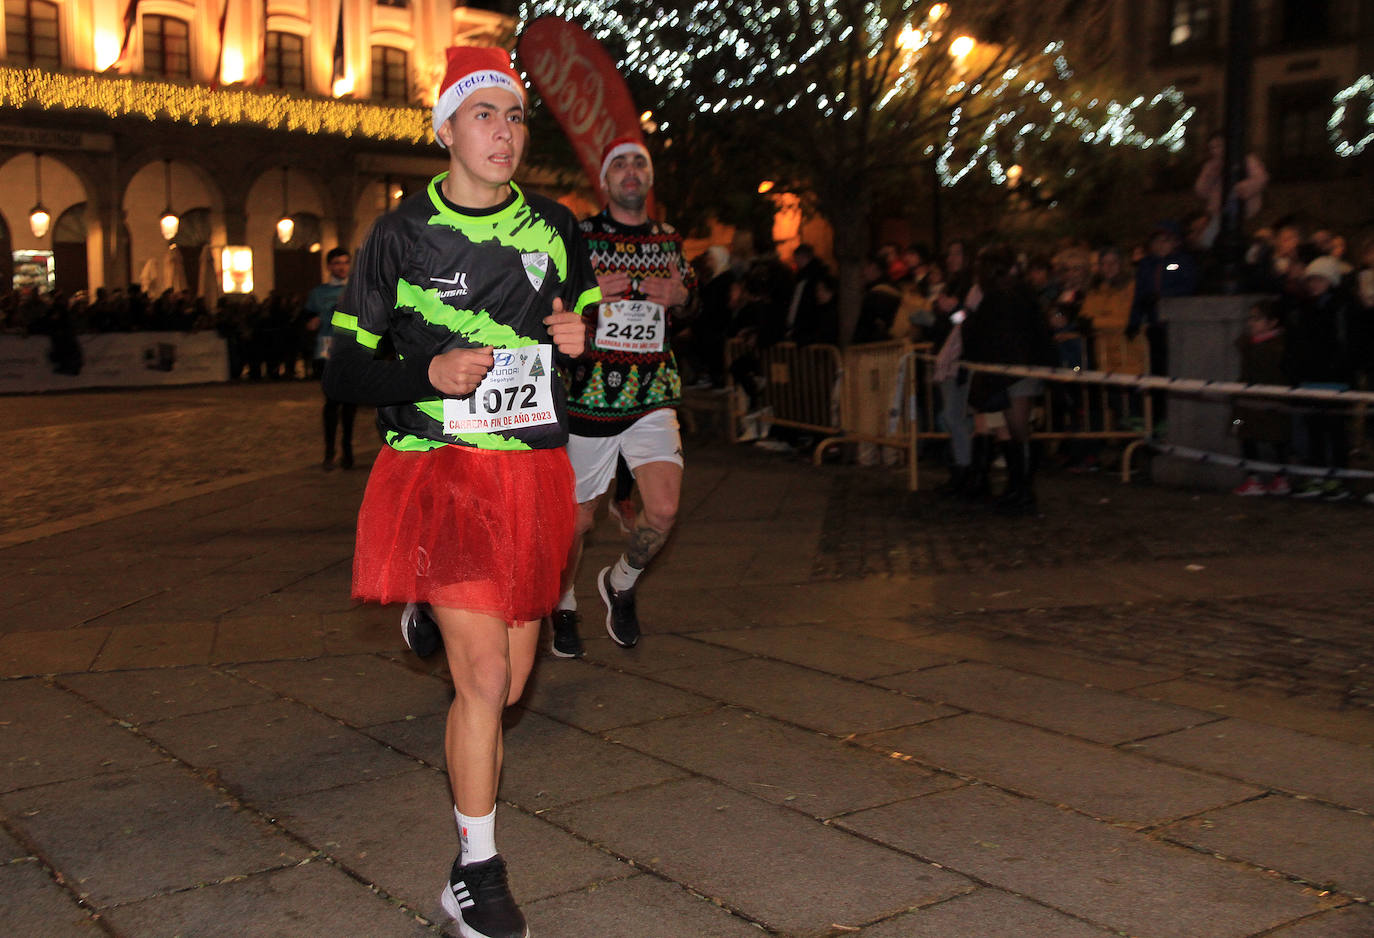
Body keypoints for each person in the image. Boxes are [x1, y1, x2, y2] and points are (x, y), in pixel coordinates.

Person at [322, 46, 597, 938]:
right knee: (482, 679)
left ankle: (434, 612)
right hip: (438, 469)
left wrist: (575, 336)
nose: (505, 132)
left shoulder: (557, 226)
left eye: (515, 116)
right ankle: (478, 872)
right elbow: (344, 373)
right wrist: (425, 368)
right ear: (444, 130)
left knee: (512, 683)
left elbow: (578, 336)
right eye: (484, 115)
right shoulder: (398, 236)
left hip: (529, 473)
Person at [550, 136, 696, 658]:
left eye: (640, 163)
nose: (631, 172)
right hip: (591, 395)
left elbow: (691, 297)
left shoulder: (667, 237)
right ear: (605, 180)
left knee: (662, 510)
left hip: (653, 390)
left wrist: (682, 296)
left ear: (649, 178)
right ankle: (563, 601)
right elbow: (549, 295)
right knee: (578, 521)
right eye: (620, 165)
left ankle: (622, 582)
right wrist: (589, 293)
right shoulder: (580, 234)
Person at [1231, 299, 1291, 496]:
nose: (1251, 323)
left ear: (1272, 322)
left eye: (1257, 319)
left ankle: (1278, 478)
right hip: (1245, 406)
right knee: (1242, 432)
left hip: (1267, 403)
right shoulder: (1252, 345)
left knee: (1275, 438)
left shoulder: (1274, 347)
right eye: (1251, 318)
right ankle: (1254, 478)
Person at [304, 247, 356, 469]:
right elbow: (307, 319)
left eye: (345, 262)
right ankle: (329, 451)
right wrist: (311, 323)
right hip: (327, 349)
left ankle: (347, 449)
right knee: (331, 401)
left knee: (350, 402)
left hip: (352, 348)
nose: (341, 267)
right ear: (329, 266)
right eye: (336, 263)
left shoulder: (358, 288)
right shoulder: (318, 293)